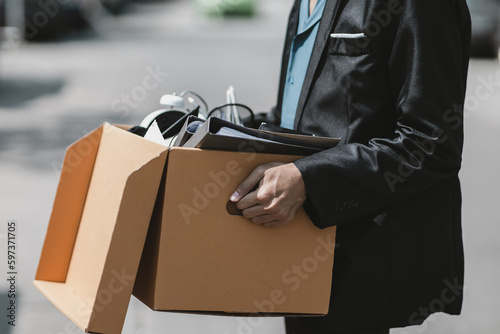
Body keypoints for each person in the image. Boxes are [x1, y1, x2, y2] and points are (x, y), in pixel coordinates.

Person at [230, 0, 471, 333]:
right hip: (298, 249)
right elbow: (302, 115)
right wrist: (227, 131)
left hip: (363, 261)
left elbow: (431, 143)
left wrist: (308, 180)